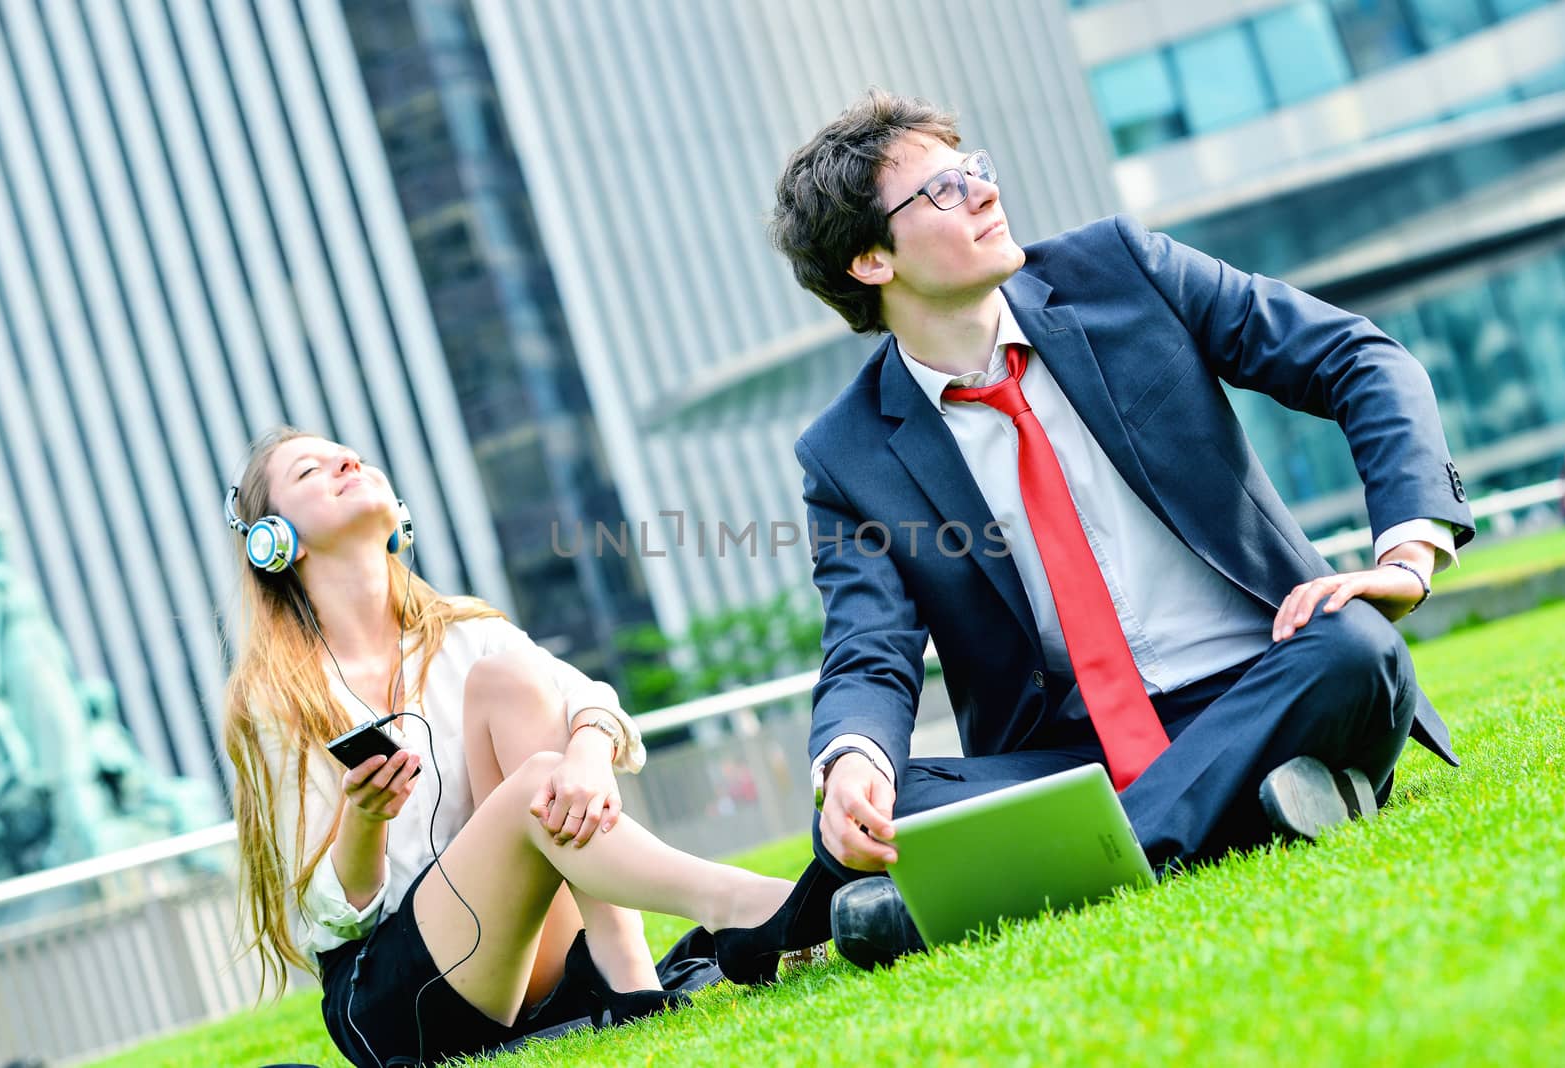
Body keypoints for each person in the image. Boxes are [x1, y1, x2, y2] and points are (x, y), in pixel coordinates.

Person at [768, 91, 1475, 967]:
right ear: (872, 259)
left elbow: (1355, 358)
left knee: (1356, 650)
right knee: (879, 806)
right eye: (944, 192)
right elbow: (867, 648)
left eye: (975, 172)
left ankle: (1048, 875)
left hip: (1267, 678)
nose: (986, 193)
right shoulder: (846, 453)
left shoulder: (1124, 270)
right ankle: (1254, 808)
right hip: (1069, 760)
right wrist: (852, 761)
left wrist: (1406, 553)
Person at [224, 428, 830, 1067]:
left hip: (525, 957)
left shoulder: (465, 634)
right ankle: (737, 903)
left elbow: (592, 703)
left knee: (516, 687)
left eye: (348, 455)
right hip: (396, 995)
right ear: (273, 542)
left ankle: (630, 980)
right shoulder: (275, 696)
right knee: (543, 773)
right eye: (310, 470)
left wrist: (589, 758)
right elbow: (330, 916)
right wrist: (366, 818)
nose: (345, 461)